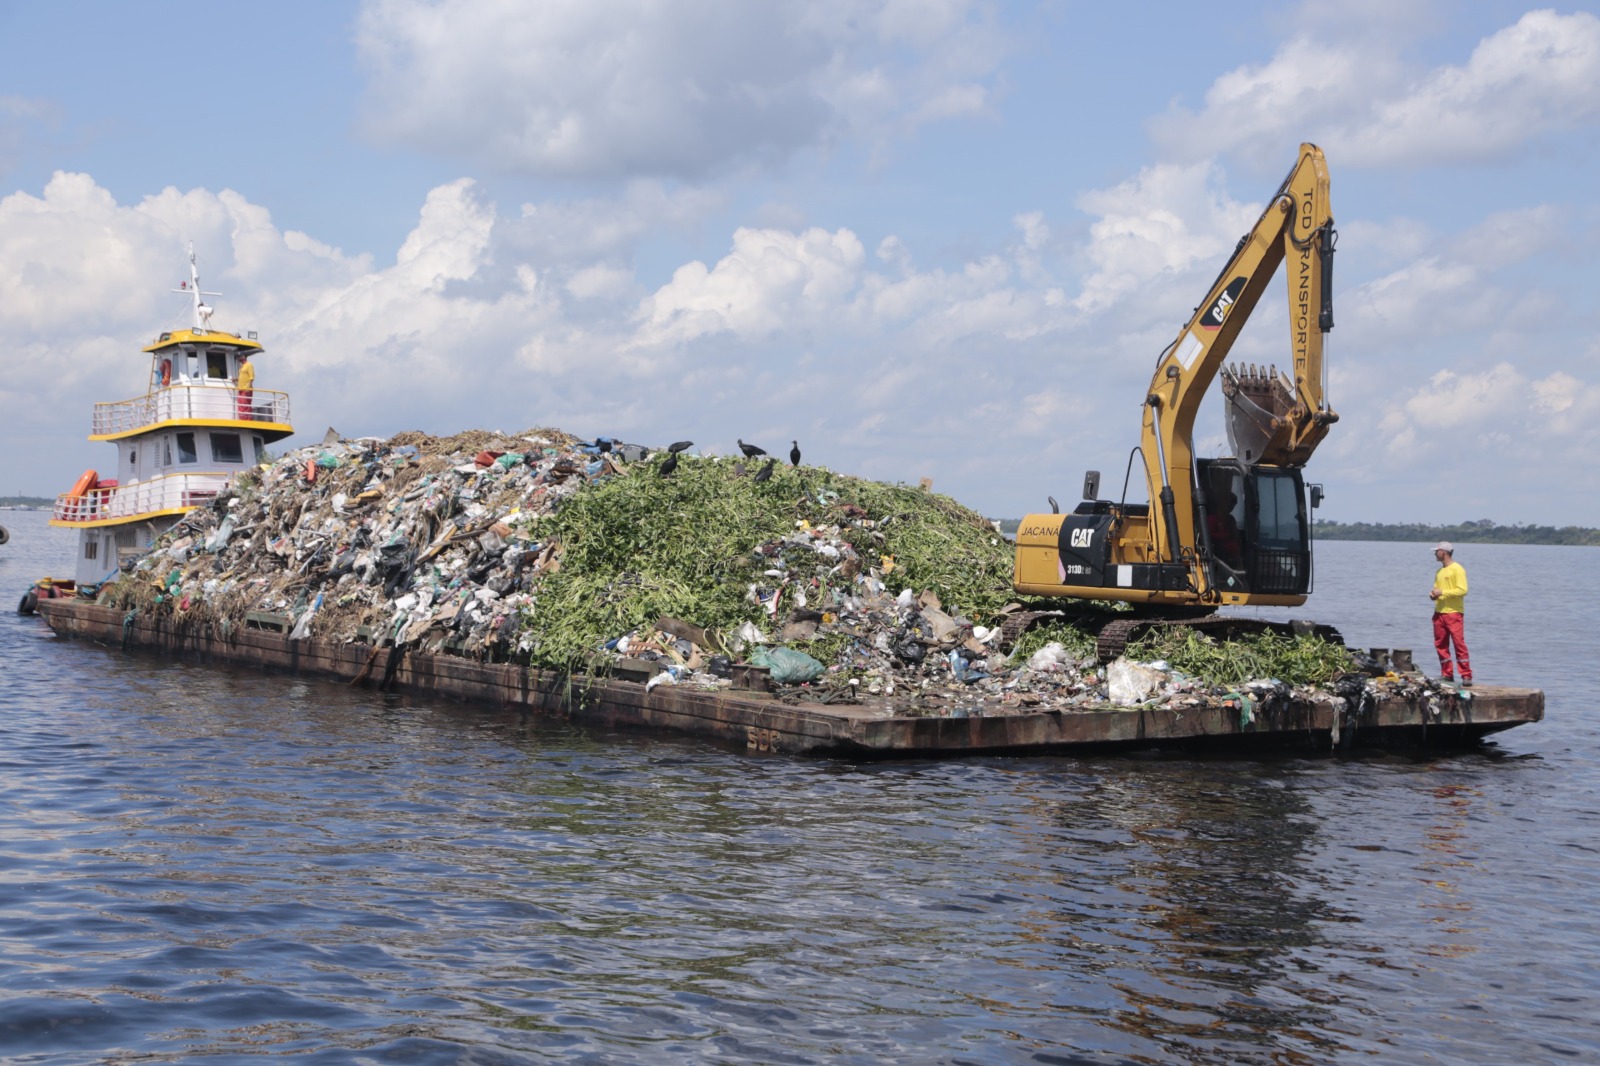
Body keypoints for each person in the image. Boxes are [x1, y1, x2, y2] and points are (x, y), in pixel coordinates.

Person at [1429, 541, 1472, 686]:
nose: (1435, 554)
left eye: (1437, 551)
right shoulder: (1439, 571)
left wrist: (1442, 592)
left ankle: (1466, 675)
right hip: (1439, 612)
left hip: (1454, 613)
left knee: (1459, 644)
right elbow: (1437, 589)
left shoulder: (1457, 569)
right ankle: (1447, 674)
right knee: (1440, 644)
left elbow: (1462, 590)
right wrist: (1434, 594)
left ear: (1444, 552)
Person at [235, 351, 255, 420]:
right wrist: (236, 379)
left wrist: (248, 388)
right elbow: (243, 376)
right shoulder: (242, 367)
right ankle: (242, 418)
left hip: (246, 388)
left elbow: (251, 377)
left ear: (243, 356)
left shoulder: (249, 365)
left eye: (239, 356)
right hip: (240, 388)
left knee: (245, 405)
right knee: (241, 405)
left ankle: (247, 419)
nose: (238, 358)